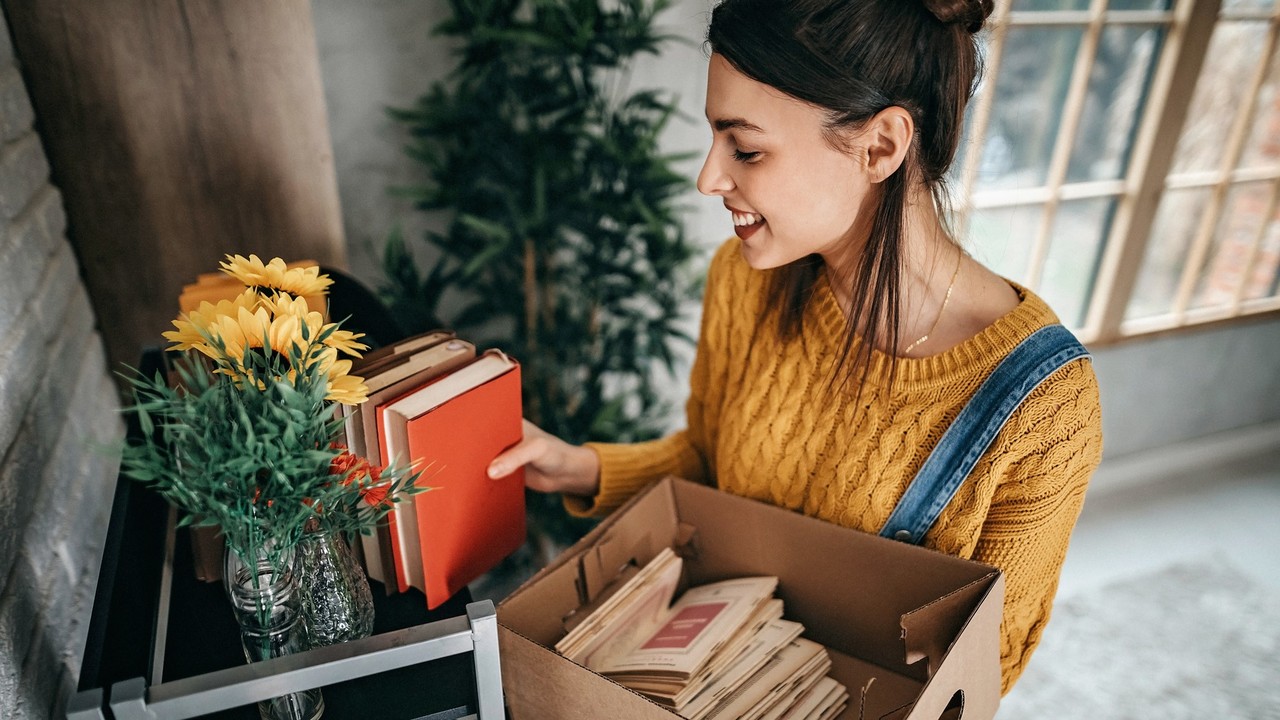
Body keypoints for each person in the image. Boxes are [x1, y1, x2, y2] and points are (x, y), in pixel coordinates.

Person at [487, 0, 1102, 694]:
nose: (709, 178)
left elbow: (987, 665)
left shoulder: (1046, 407)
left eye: (745, 149)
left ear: (881, 147)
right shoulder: (744, 281)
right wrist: (578, 468)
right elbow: (708, 462)